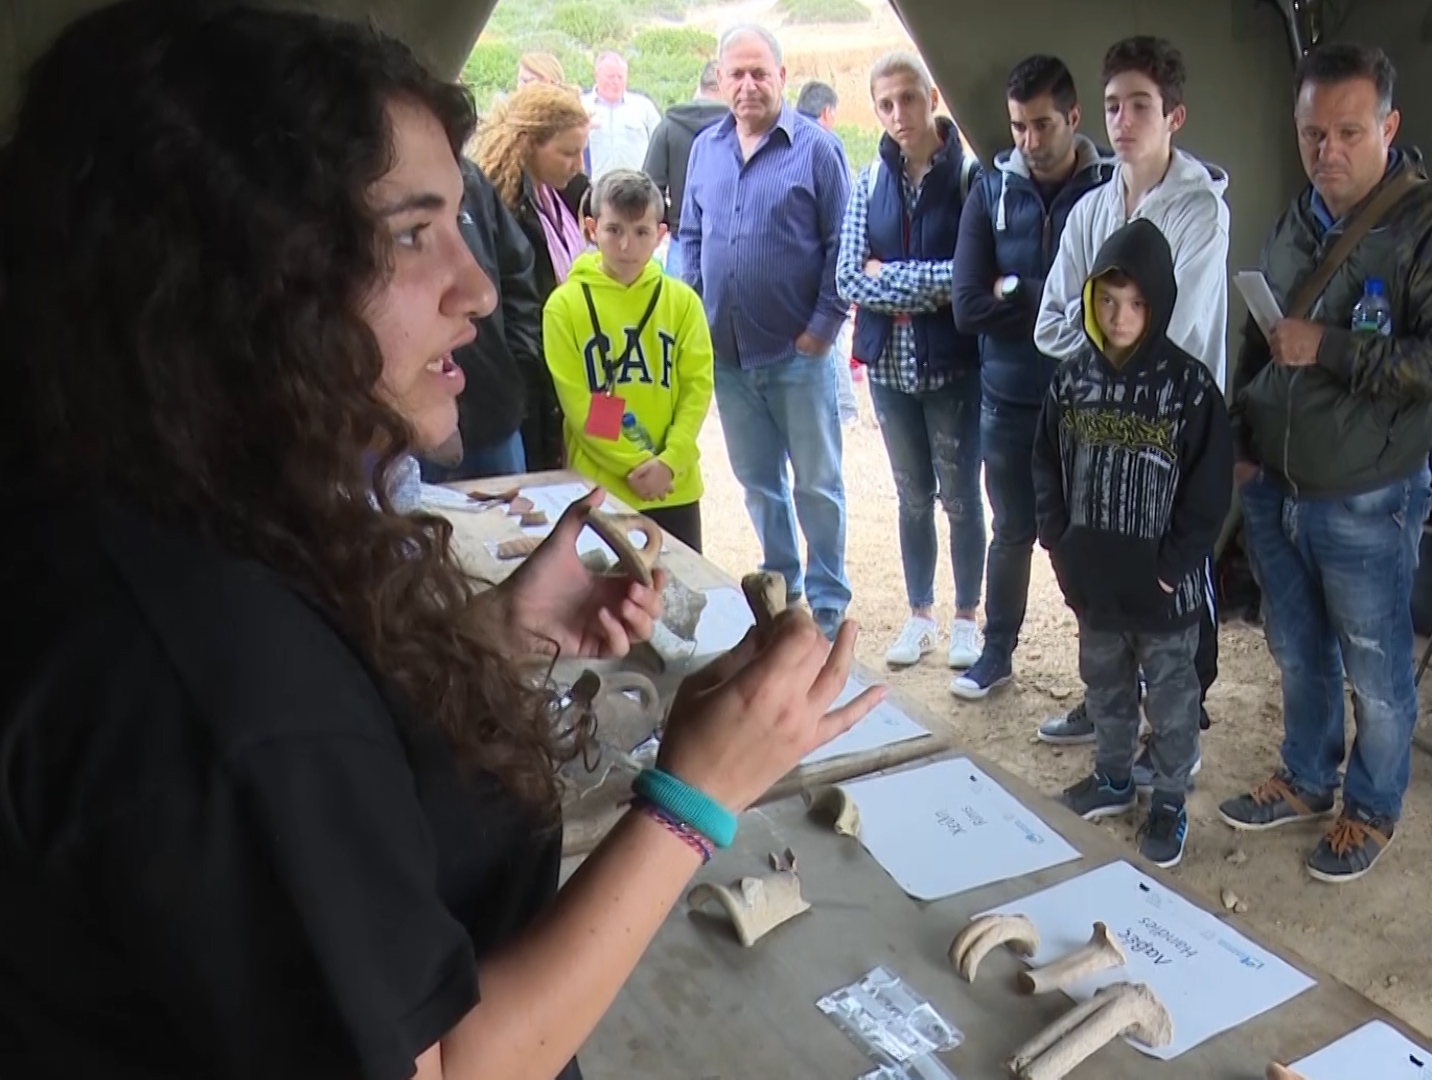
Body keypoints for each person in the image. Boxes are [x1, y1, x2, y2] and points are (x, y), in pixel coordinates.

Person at [0, 5, 880, 1079]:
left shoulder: (176, 501)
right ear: (229, 280)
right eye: (413, 236)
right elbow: (446, 1065)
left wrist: (495, 632)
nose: (475, 290)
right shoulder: (207, 679)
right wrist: (697, 794)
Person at [1217, 43, 1432, 884]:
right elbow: (1260, 339)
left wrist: (1329, 348)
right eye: (1310, 135)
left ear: (1389, 126)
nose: (1326, 152)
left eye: (1347, 132)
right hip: (1276, 481)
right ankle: (1305, 778)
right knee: (1297, 649)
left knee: (1374, 667)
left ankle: (1371, 808)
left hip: (1368, 495)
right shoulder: (1301, 217)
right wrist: (1238, 437)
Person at [1032, 35, 1229, 781]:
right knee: (1100, 577)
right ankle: (1105, 704)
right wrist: (1110, 334)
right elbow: (1054, 319)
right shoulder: (1089, 209)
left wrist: (1108, 331)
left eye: (1139, 105)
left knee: (1171, 584)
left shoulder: (1199, 212)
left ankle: (1178, 727)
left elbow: (1173, 334)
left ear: (1173, 115)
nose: (1123, 121)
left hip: (1169, 430)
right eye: (1111, 105)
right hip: (1093, 430)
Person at [1037, 218, 1231, 869]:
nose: (1120, 317)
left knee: (1173, 698)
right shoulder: (1070, 383)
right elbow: (1043, 468)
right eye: (1108, 301)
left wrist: (1173, 571)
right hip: (1095, 587)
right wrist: (1060, 548)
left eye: (1136, 304)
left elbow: (1208, 495)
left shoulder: (1191, 389)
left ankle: (1170, 794)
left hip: (1163, 594)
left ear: (1159, 305)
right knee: (1105, 686)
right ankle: (1114, 777)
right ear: (1091, 299)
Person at [678, 24, 853, 637]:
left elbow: (842, 246)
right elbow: (691, 236)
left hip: (798, 354)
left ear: (782, 76)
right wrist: (695, 303)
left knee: (818, 485)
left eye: (760, 73)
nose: (748, 85)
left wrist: (822, 329)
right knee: (758, 484)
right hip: (728, 356)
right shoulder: (706, 148)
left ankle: (828, 605)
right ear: (721, 79)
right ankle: (784, 584)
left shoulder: (817, 150)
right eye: (736, 74)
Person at [950, 54, 1113, 700]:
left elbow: (1112, 307)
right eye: (1018, 126)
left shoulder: (1108, 191)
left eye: (1043, 125)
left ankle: (1099, 677)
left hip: (1086, 399)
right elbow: (967, 306)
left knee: (1082, 540)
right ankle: (996, 652)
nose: (1028, 141)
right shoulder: (989, 188)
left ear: (1074, 117)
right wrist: (1057, 305)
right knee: (1010, 529)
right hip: (1008, 397)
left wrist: (1018, 292)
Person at [835, 52, 985, 671]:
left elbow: (971, 274)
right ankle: (920, 613)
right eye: (886, 104)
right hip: (890, 369)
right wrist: (927, 285)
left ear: (932, 98)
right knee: (911, 496)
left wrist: (889, 276)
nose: (899, 115)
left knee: (962, 497)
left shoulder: (970, 177)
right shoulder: (868, 181)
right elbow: (848, 275)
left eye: (909, 99)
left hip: (952, 366)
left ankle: (966, 619)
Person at [543, 170, 714, 551]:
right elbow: (577, 404)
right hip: (599, 485)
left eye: (641, 232)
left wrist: (669, 461)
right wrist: (633, 466)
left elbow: (696, 389)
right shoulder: (565, 305)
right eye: (614, 230)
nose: (626, 246)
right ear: (591, 228)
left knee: (680, 596)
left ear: (661, 234)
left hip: (673, 486)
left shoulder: (683, 303)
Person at [469, 83, 593, 471]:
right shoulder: (504, 208)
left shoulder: (556, 197)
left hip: (553, 370)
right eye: (568, 153)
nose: (579, 165)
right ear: (528, 145)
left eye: (582, 152)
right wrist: (522, 380)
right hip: (524, 381)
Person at [419, 157, 543, 483]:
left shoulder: (468, 176)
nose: (481, 296)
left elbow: (517, 269)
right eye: (410, 235)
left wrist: (515, 363)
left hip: (492, 414)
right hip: (400, 438)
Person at [797, 79, 862, 426]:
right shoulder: (827, 143)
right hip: (824, 265)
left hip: (797, 271)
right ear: (827, 112)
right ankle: (845, 408)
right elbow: (845, 219)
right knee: (831, 335)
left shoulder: (785, 138)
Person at [643, 59, 729, 272]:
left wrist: (670, 221)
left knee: (679, 304)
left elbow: (649, 186)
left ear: (698, 87)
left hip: (682, 240)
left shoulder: (670, 125)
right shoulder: (742, 127)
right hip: (729, 242)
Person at [582, 51, 662, 177]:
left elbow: (660, 145)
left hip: (637, 187)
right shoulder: (581, 106)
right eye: (610, 76)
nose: (616, 82)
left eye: (620, 77)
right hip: (596, 188)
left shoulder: (643, 106)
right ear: (596, 75)